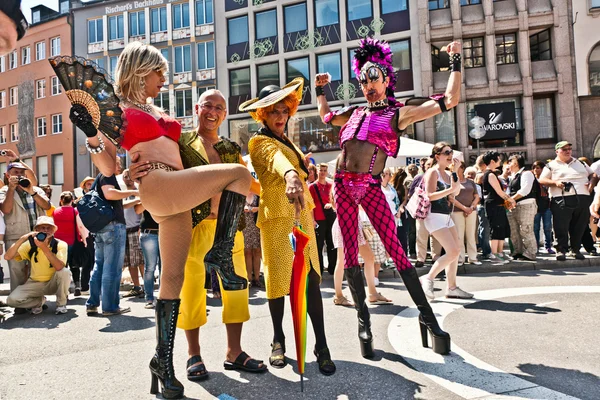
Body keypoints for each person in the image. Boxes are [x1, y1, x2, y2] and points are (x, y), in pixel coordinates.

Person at [68, 42, 252, 398]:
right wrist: (90, 133)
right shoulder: (116, 111)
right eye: (159, 72)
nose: (164, 79)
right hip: (158, 184)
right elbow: (109, 166)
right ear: (141, 70)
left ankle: (162, 364)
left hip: (176, 193)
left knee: (174, 278)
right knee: (238, 175)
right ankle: (222, 254)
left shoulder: (152, 108)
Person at [316, 38, 460, 357]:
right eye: (363, 79)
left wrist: (456, 61)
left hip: (369, 186)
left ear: (386, 80)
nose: (368, 84)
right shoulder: (353, 114)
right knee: (350, 253)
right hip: (341, 185)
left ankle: (429, 319)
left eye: (374, 78)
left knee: (396, 250)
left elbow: (450, 99)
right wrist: (320, 91)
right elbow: (326, 116)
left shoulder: (399, 113)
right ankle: (363, 322)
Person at [130, 88, 265, 382]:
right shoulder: (180, 141)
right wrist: (134, 170)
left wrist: (272, 194)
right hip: (193, 225)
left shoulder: (230, 148)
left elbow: (248, 182)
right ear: (196, 108)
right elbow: (156, 162)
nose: (213, 112)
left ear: (225, 114)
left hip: (230, 229)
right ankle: (194, 354)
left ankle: (234, 351)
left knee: (237, 289)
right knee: (191, 292)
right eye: (208, 105)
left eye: (219, 107)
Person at [241, 78, 336, 375]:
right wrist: (292, 176)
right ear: (262, 116)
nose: (280, 117)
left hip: (302, 217)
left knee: (310, 283)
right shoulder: (259, 141)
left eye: (284, 110)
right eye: (273, 112)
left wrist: (300, 175)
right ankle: (278, 339)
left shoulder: (289, 141)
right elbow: (276, 160)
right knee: (278, 284)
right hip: (276, 220)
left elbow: (288, 157)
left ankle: (321, 345)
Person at [419, 143, 473, 300]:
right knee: (453, 251)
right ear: (437, 156)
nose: (450, 155)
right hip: (434, 216)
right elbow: (429, 195)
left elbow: (456, 191)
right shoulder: (432, 172)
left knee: (455, 251)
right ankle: (428, 278)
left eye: (451, 152)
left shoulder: (447, 174)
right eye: (446, 152)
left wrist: (455, 172)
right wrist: (450, 190)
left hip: (445, 216)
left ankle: (452, 287)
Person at [85, 167, 137, 317]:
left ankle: (92, 304)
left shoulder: (99, 179)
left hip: (102, 226)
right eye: (117, 160)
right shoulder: (107, 175)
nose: (119, 165)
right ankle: (110, 307)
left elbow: (117, 205)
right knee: (112, 268)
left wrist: (137, 200)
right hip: (113, 227)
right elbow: (110, 194)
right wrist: (134, 192)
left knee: (99, 265)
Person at [0, 160, 51, 308]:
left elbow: (46, 206)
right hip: (16, 235)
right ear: (7, 175)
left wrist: (32, 191)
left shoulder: (34, 189)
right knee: (17, 271)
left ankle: (36, 301)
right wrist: (11, 188)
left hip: (38, 236)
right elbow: (6, 210)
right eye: (16, 172)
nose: (20, 175)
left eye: (22, 172)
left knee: (37, 269)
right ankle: (19, 305)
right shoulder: (4, 191)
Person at [538, 141, 594, 261]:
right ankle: (561, 250)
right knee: (560, 226)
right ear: (557, 151)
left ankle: (575, 249)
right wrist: (555, 183)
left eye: (569, 149)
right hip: (561, 198)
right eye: (564, 149)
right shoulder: (551, 165)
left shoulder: (581, 163)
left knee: (579, 225)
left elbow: (593, 175)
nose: (568, 151)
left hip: (582, 197)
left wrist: (591, 185)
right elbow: (541, 179)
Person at [5, 216, 70, 315]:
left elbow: (59, 267)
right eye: (42, 228)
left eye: (49, 228)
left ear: (53, 230)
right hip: (35, 283)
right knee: (11, 300)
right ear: (36, 230)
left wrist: (43, 247)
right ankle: (39, 302)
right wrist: (22, 239)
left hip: (54, 282)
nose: (46, 230)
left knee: (65, 272)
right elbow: (8, 256)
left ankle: (61, 304)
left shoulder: (60, 244)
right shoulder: (30, 245)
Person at [481, 151, 516, 263]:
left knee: (501, 228)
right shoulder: (490, 174)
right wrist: (511, 199)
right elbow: (499, 192)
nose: (500, 161)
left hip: (497, 204)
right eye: (498, 159)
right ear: (492, 161)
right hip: (493, 205)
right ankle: (495, 254)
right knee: (496, 229)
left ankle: (500, 253)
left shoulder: (492, 174)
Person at [52, 191, 87, 296]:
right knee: (74, 264)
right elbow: (80, 226)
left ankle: (64, 289)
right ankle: (77, 286)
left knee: (63, 266)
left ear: (61, 201)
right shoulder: (75, 211)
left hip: (58, 243)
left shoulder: (55, 211)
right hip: (72, 241)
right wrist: (84, 240)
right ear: (72, 200)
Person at [506, 155, 538, 261]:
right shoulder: (512, 177)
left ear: (515, 163)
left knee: (526, 229)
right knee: (514, 230)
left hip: (526, 204)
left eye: (509, 162)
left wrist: (511, 199)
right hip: (514, 206)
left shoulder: (527, 173)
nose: (508, 165)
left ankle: (531, 252)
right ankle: (518, 252)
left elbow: (525, 190)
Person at [449, 162, 481, 265]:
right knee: (459, 235)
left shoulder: (470, 182)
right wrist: (464, 208)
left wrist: (471, 207)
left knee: (471, 235)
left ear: (462, 168)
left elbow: (477, 196)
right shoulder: (452, 181)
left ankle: (473, 257)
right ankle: (460, 258)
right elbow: (451, 198)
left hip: (471, 211)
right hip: (457, 211)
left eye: (458, 167)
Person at [120, 169, 146, 299]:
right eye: (125, 176)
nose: (128, 178)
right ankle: (136, 287)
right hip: (124, 230)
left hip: (137, 229)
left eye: (129, 176)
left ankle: (146, 287)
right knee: (130, 262)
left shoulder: (140, 190)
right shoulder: (122, 193)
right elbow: (122, 206)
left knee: (141, 260)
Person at [309, 163, 337, 275]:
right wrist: (312, 220)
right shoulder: (312, 187)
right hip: (319, 219)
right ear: (317, 171)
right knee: (319, 246)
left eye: (325, 170)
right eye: (321, 170)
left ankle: (332, 268)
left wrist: (331, 204)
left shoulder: (331, 185)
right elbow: (310, 206)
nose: (323, 172)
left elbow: (335, 201)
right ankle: (319, 269)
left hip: (331, 218)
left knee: (332, 244)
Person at [531, 161, 554, 254]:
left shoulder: (547, 179)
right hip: (536, 207)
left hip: (547, 206)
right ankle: (535, 247)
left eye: (538, 168)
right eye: (535, 168)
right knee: (535, 228)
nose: (536, 170)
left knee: (547, 227)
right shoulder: (531, 179)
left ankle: (548, 246)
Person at [243, 194, 262, 288]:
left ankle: (257, 279)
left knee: (257, 251)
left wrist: (257, 209)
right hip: (245, 226)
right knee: (247, 252)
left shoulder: (258, 194)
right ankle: (249, 278)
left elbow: (265, 206)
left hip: (256, 226)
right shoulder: (242, 193)